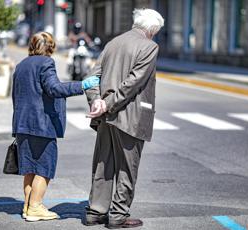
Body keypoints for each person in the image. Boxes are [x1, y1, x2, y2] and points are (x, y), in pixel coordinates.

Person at [83, 8, 164, 229]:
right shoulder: (149, 47)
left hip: (106, 116)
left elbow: (91, 77)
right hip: (131, 116)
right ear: (153, 29)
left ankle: (95, 212)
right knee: (127, 168)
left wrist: (97, 101)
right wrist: (105, 104)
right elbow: (132, 84)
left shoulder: (113, 43)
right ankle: (118, 215)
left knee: (103, 164)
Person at [12, 32, 100, 222]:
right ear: (50, 47)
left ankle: (28, 206)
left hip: (22, 124)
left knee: (29, 168)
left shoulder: (21, 66)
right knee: (45, 167)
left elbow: (16, 95)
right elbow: (54, 89)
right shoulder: (46, 63)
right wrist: (82, 85)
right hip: (41, 125)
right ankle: (35, 207)